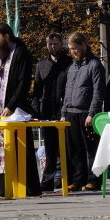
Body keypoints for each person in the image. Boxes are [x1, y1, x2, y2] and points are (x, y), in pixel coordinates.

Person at [0, 22, 41, 196]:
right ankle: (4, 187)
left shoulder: (20, 52)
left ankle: (27, 188)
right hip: (0, 108)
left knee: (21, 148)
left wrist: (11, 105)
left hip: (15, 110)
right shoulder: (2, 53)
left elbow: (23, 83)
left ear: (6, 35)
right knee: (1, 147)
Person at [59, 31, 105, 192]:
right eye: (70, 49)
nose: (73, 52)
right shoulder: (72, 67)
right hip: (71, 112)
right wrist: (64, 112)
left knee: (90, 148)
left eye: (75, 48)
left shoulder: (94, 65)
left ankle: (94, 179)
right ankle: (77, 180)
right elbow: (67, 90)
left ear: (83, 45)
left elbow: (98, 92)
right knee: (74, 149)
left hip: (86, 112)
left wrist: (92, 113)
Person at [32, 33, 71, 191]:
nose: (53, 47)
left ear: (61, 44)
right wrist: (36, 108)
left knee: (67, 147)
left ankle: (69, 179)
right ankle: (47, 180)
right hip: (47, 111)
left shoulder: (69, 63)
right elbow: (37, 89)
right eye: (50, 44)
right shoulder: (41, 64)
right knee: (49, 148)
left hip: (64, 110)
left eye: (56, 43)